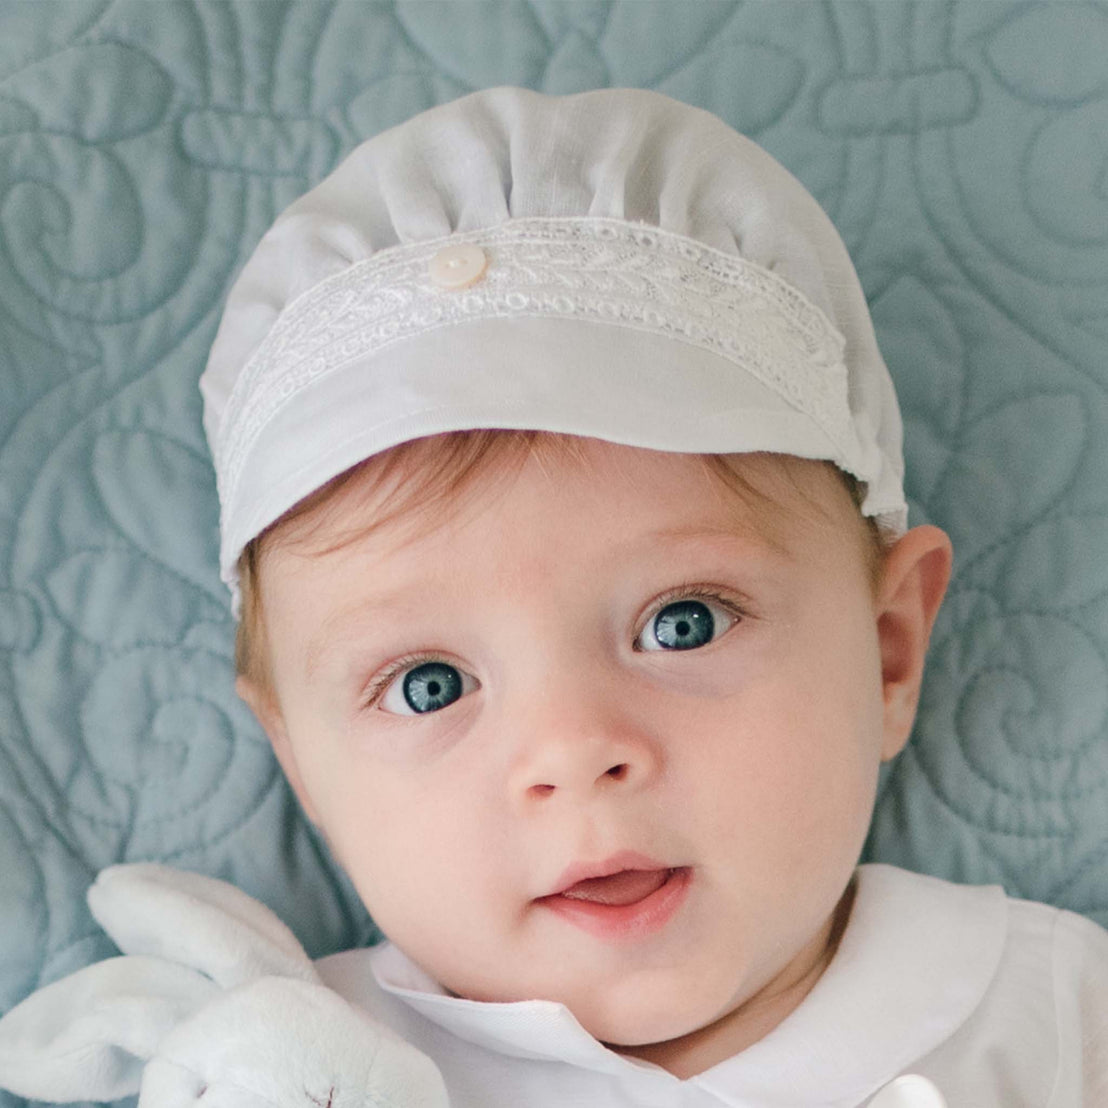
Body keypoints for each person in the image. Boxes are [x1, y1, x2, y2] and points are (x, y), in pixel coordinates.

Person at [1, 85, 1105, 1108]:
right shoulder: (296, 1065)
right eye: (429, 685)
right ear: (302, 763)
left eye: (683, 622)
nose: (575, 749)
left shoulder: (1051, 1012)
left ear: (887, 650)